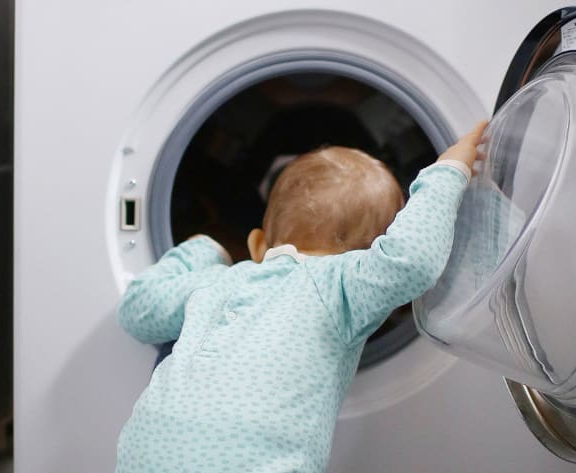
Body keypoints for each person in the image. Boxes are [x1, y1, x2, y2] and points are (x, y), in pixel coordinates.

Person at [115, 122, 487, 473]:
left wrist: (203, 249)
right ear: (368, 254)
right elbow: (413, 262)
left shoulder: (216, 282)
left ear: (257, 244)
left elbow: (137, 310)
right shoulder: (344, 285)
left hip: (146, 455)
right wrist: (447, 170)